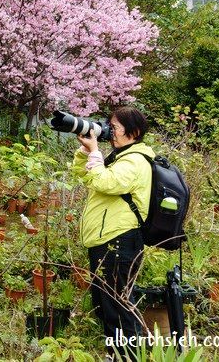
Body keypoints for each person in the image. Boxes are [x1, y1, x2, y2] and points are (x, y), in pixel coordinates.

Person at [72, 107, 153, 361]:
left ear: (134, 132)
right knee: (106, 304)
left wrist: (96, 152)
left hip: (120, 241)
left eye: (115, 127)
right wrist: (86, 151)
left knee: (117, 305)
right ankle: (118, 353)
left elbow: (106, 182)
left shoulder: (136, 160)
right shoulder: (120, 157)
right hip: (106, 239)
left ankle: (128, 355)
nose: (110, 131)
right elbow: (85, 176)